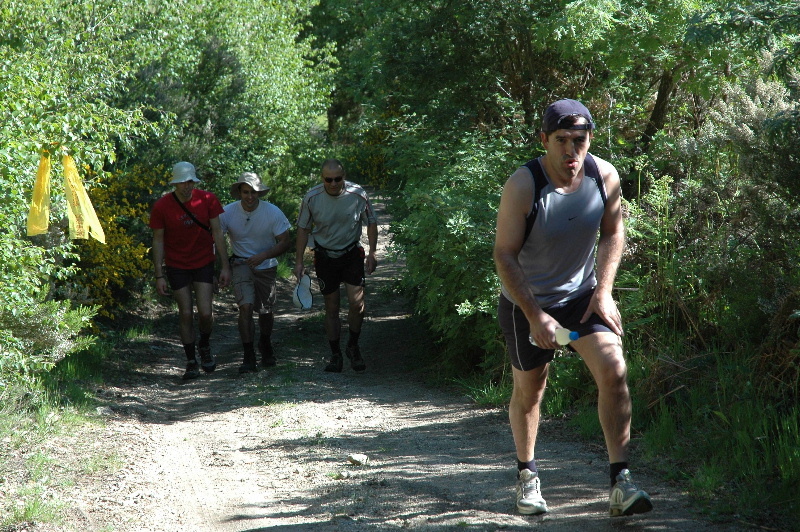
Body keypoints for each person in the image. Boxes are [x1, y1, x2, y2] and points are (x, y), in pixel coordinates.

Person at [493, 99, 652, 517]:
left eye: (578, 140)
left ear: (589, 139)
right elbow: (504, 255)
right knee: (531, 391)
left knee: (614, 371)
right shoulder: (524, 185)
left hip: (582, 301)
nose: (570, 150)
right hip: (527, 303)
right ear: (544, 140)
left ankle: (621, 482)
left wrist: (604, 292)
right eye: (561, 140)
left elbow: (614, 233)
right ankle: (527, 476)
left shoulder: (604, 177)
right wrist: (534, 314)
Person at [294, 159, 378, 373]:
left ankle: (353, 346)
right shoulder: (312, 197)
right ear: (322, 178)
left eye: (337, 179)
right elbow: (302, 229)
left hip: (351, 253)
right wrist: (299, 262)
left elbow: (372, 222)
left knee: (357, 304)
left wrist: (372, 253)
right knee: (331, 307)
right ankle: (335, 354)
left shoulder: (358, 194)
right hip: (325, 256)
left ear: (344, 176)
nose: (333, 183)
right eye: (328, 179)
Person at [150, 161, 231, 380]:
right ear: (175, 184)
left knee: (205, 312)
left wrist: (225, 266)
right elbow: (158, 241)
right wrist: (159, 274)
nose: (187, 186)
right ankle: (191, 360)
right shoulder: (162, 206)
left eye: (190, 182)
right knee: (185, 312)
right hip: (177, 265)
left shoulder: (208, 199)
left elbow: (217, 233)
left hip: (204, 261)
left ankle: (204, 344)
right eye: (183, 182)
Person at [220, 172, 291, 373]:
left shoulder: (272, 212)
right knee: (245, 307)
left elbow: (285, 241)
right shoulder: (227, 212)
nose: (250, 196)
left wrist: (264, 255)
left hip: (266, 265)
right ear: (239, 192)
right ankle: (248, 354)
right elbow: (216, 239)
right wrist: (223, 266)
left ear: (260, 193)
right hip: (241, 264)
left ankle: (265, 343)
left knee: (266, 310)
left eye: (254, 192)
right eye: (245, 192)